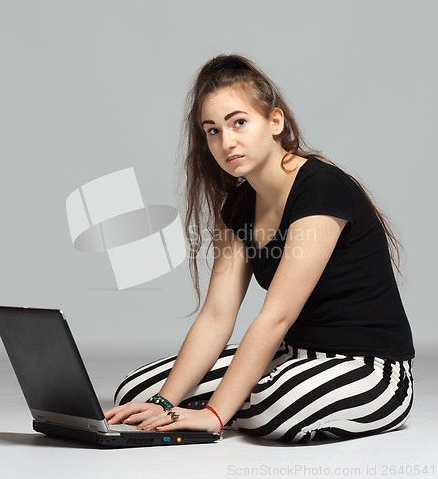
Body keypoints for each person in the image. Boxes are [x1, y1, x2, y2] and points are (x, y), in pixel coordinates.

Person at [104, 54, 414, 443]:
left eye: (238, 123)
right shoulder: (238, 206)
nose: (226, 141)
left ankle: (239, 404)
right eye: (212, 131)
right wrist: (166, 402)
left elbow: (276, 317)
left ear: (274, 122)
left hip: (371, 368)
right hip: (292, 355)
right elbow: (217, 316)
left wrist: (216, 412)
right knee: (137, 393)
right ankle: (233, 400)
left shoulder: (320, 188)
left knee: (268, 406)